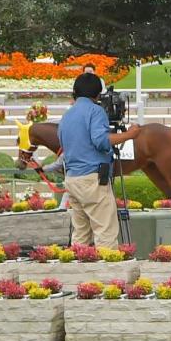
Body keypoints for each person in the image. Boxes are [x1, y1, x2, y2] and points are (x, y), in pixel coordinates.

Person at [57, 70, 136, 245]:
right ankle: (108, 272)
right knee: (105, 233)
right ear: (97, 94)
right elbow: (101, 141)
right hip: (92, 179)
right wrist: (129, 135)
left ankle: (79, 269)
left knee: (81, 235)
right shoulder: (96, 111)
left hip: (72, 179)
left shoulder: (66, 115)